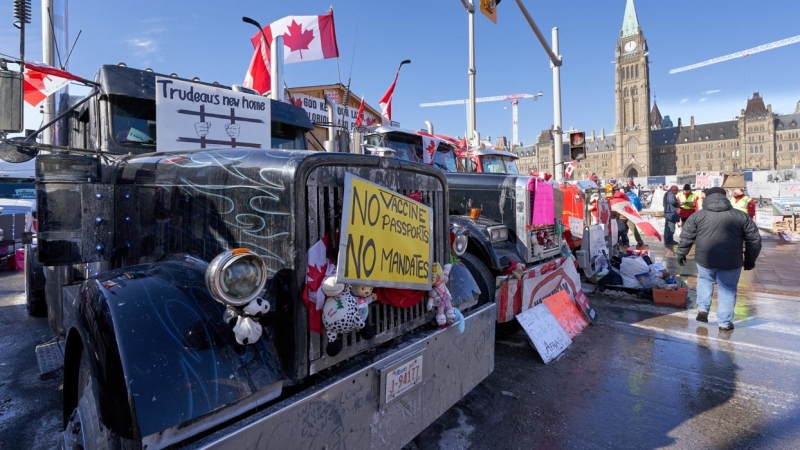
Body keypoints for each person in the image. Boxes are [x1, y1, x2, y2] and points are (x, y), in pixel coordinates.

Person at [676, 187, 761, 332]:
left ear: (707, 198)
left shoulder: (698, 216)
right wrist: (750, 259)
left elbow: (686, 236)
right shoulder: (740, 216)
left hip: (705, 259)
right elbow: (754, 240)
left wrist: (681, 254)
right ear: (725, 197)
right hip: (732, 260)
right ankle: (724, 323)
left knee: (705, 280)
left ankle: (703, 309)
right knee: (727, 289)